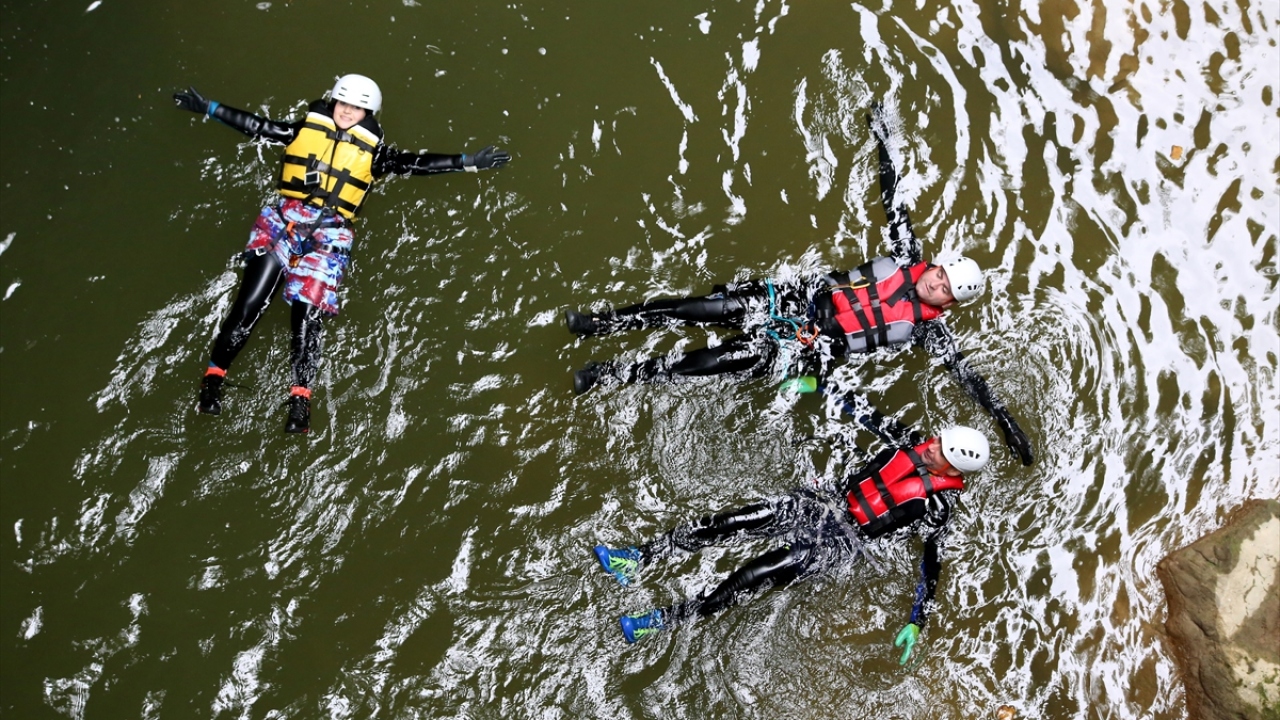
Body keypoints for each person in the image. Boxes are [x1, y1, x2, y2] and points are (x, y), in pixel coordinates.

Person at [566, 103, 1032, 465]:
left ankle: (606, 375)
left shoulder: (930, 332)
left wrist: (1005, 422)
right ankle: (597, 324)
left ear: (950, 303)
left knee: (696, 365)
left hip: (804, 350)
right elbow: (894, 200)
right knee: (691, 309)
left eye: (945, 288)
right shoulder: (908, 255)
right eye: (940, 274)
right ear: (935, 265)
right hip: (792, 300)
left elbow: (971, 380)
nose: (935, 284)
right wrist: (883, 137)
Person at [174, 75, 510, 432]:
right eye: (342, 103)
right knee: (249, 305)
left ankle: (299, 404)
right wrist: (209, 108)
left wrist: (469, 161)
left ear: (368, 112)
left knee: (306, 322)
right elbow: (257, 126)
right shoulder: (304, 129)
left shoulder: (376, 156)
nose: (347, 111)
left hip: (329, 239)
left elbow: (416, 163)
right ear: (332, 102)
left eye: (356, 107)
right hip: (283, 225)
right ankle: (213, 381)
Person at [592, 397, 989, 665]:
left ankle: (660, 619)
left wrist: (916, 621)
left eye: (940, 452)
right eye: (937, 441)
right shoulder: (911, 443)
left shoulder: (937, 506)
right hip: (824, 503)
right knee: (732, 522)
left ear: (953, 471)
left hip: (842, 543)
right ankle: (638, 557)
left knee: (753, 575)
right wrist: (818, 384)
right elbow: (864, 411)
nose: (931, 448)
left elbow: (930, 566)